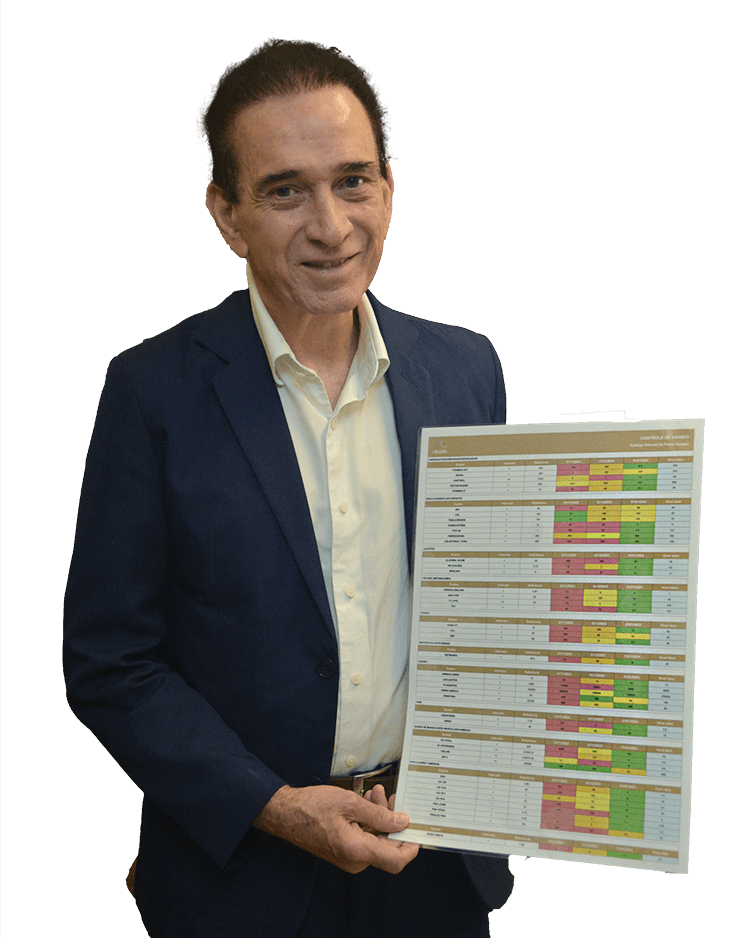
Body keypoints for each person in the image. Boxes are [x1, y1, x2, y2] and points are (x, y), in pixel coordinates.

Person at [63, 38, 513, 937]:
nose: (331, 226)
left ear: (389, 187)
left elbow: (498, 610)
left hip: (434, 863)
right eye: (284, 191)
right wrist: (269, 806)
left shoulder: (468, 370)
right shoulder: (151, 392)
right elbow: (111, 662)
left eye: (352, 181)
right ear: (226, 215)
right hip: (242, 878)